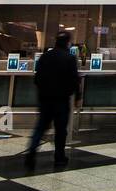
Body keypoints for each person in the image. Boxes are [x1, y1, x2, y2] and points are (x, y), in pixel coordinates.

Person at [25, 32, 82, 168]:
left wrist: (43, 92)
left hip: (45, 99)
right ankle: (59, 157)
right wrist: (77, 97)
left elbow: (37, 79)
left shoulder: (45, 56)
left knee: (40, 128)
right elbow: (74, 80)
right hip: (61, 100)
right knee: (61, 129)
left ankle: (31, 152)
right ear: (68, 42)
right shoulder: (69, 58)